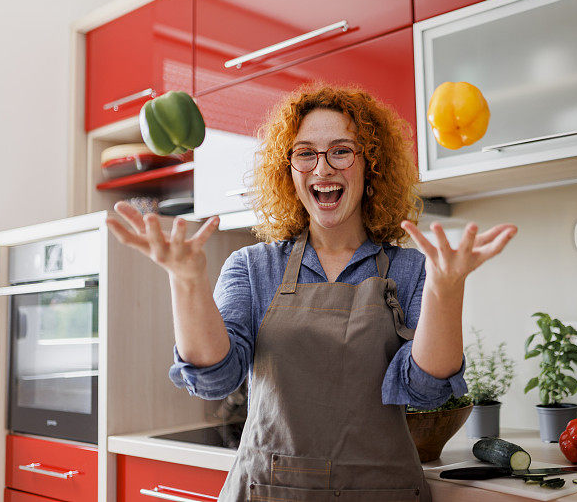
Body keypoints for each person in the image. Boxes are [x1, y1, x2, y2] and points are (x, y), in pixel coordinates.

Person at [106, 84, 517, 501]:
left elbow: (425, 390)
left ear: (370, 165)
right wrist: (187, 280)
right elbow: (216, 378)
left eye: (341, 150)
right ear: (288, 170)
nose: (322, 169)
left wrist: (446, 288)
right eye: (305, 153)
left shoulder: (412, 269)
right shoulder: (253, 267)